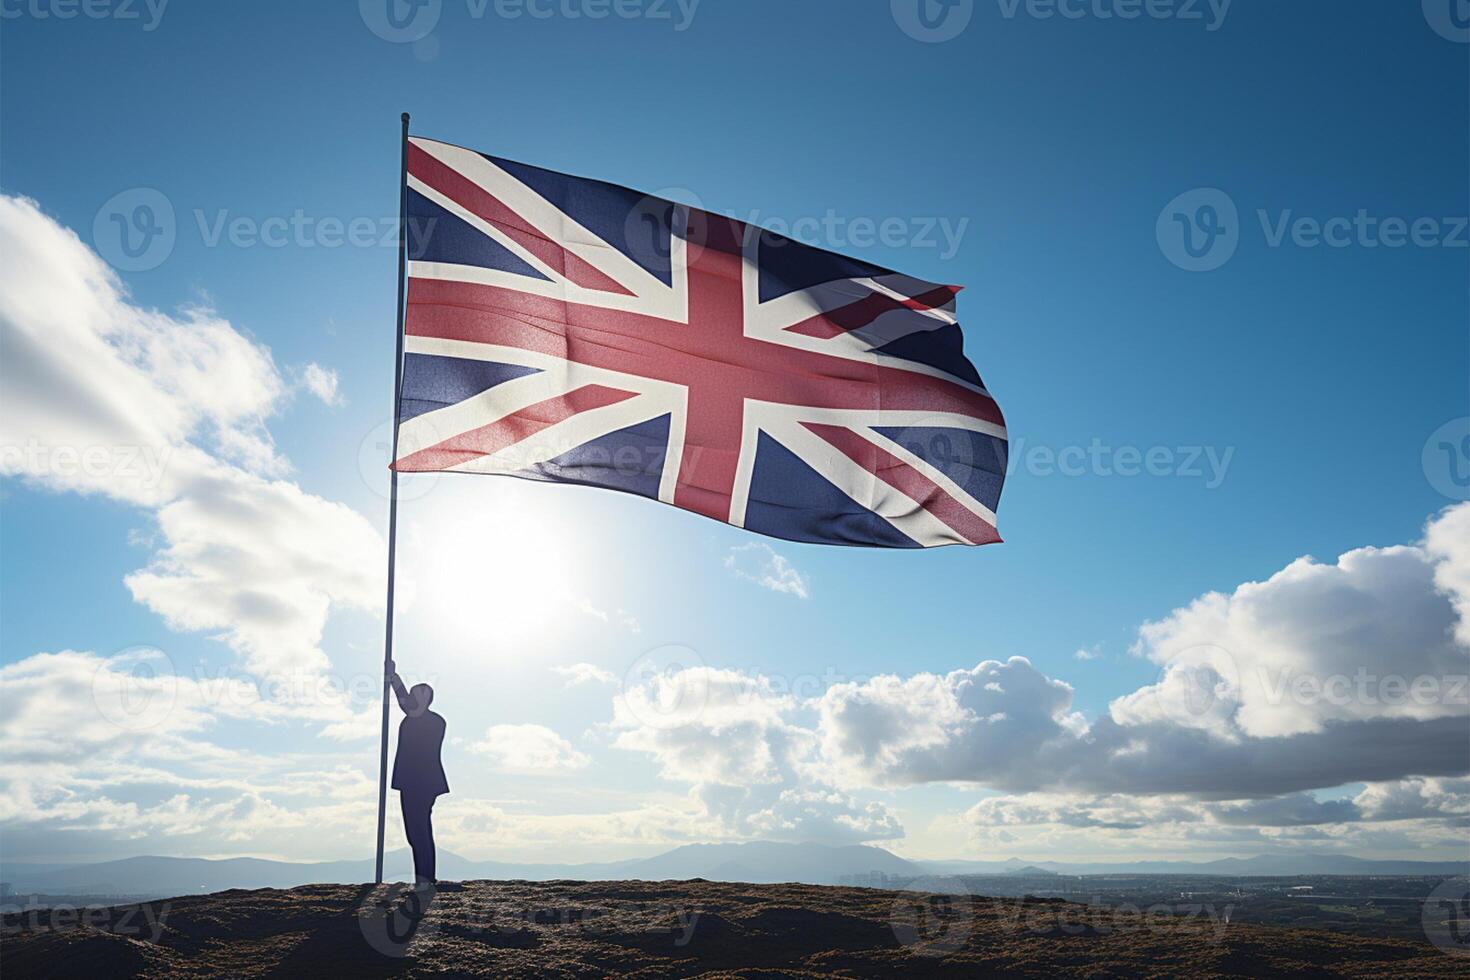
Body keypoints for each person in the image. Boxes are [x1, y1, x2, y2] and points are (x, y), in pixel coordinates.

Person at [386, 658, 448, 885]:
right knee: (415, 832)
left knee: (419, 831)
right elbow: (407, 705)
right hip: (415, 782)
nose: (410, 700)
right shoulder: (426, 719)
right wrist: (393, 676)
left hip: (419, 784)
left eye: (415, 696)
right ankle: (424, 878)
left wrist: (394, 677)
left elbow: (406, 705)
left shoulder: (431, 721)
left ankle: (426, 880)